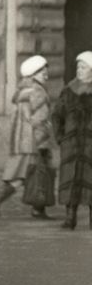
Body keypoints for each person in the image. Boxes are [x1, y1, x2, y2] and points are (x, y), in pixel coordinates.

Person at [0, 55, 54, 219]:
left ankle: (36, 209)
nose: (46, 75)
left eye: (46, 72)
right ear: (33, 75)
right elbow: (40, 119)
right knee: (32, 174)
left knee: (25, 174)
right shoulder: (38, 93)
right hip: (33, 142)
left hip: (21, 141)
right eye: (42, 73)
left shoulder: (22, 92)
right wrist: (45, 137)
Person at [52, 51, 92, 230]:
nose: (79, 70)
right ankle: (70, 218)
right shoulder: (68, 91)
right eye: (78, 67)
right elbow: (56, 116)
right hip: (71, 145)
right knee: (70, 179)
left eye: (84, 67)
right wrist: (61, 137)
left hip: (90, 146)